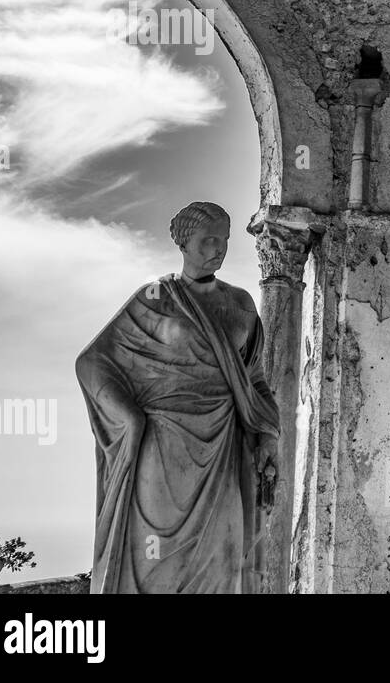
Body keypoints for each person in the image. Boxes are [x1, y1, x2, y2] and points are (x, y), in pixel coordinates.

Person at [76, 202, 280, 593]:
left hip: (224, 445)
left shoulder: (240, 305)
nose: (217, 249)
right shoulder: (155, 298)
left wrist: (269, 432)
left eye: (223, 240)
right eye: (207, 241)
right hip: (163, 445)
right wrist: (128, 418)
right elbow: (93, 362)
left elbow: (254, 376)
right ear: (184, 244)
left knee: (225, 555)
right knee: (157, 562)